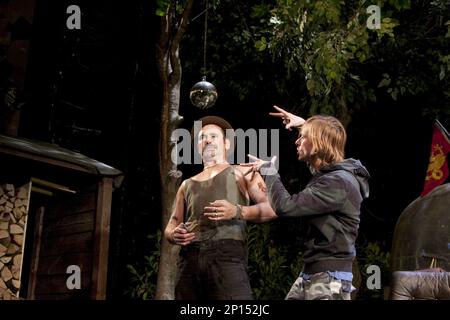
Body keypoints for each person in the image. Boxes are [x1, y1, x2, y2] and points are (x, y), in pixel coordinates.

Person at [216, 105, 370, 300]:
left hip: (329, 279)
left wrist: (270, 171)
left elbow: (285, 207)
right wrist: (304, 125)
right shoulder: (331, 177)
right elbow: (321, 159)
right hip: (313, 273)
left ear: (318, 142)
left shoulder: (338, 183)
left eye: (303, 137)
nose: (297, 142)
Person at [164, 115, 276, 300]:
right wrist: (173, 234)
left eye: (213, 136)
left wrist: (238, 211)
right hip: (189, 259)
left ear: (226, 144)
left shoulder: (243, 171)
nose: (207, 140)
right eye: (202, 137)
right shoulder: (186, 184)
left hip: (227, 255)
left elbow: (271, 209)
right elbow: (172, 224)